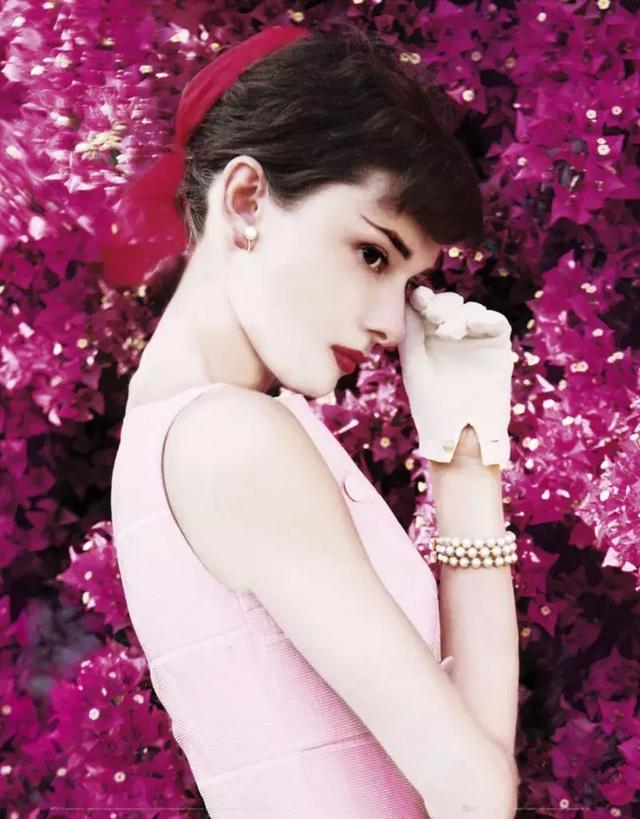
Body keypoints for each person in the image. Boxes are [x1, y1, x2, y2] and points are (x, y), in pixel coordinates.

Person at [108, 22, 519, 819]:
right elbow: (475, 797)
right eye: (372, 253)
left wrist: (466, 459)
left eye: (408, 281)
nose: (389, 322)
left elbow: (478, 762)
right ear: (246, 200)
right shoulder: (232, 440)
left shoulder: (201, 427)